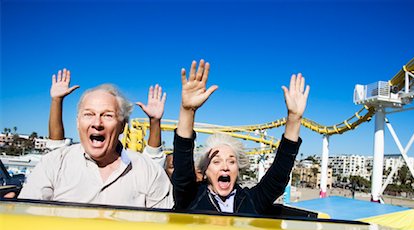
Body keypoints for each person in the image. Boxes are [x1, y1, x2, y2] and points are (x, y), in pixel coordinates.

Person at [172, 59, 309, 215]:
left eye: (231, 161)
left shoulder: (251, 200)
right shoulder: (191, 198)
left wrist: (294, 118)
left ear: (238, 169)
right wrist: (187, 111)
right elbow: (182, 169)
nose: (225, 166)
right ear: (205, 171)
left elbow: (278, 176)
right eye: (216, 162)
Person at [18, 83, 173, 208]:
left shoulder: (150, 171)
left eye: (107, 115)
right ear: (78, 123)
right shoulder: (53, 164)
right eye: (89, 114)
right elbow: (26, 218)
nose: (97, 123)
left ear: (122, 126)